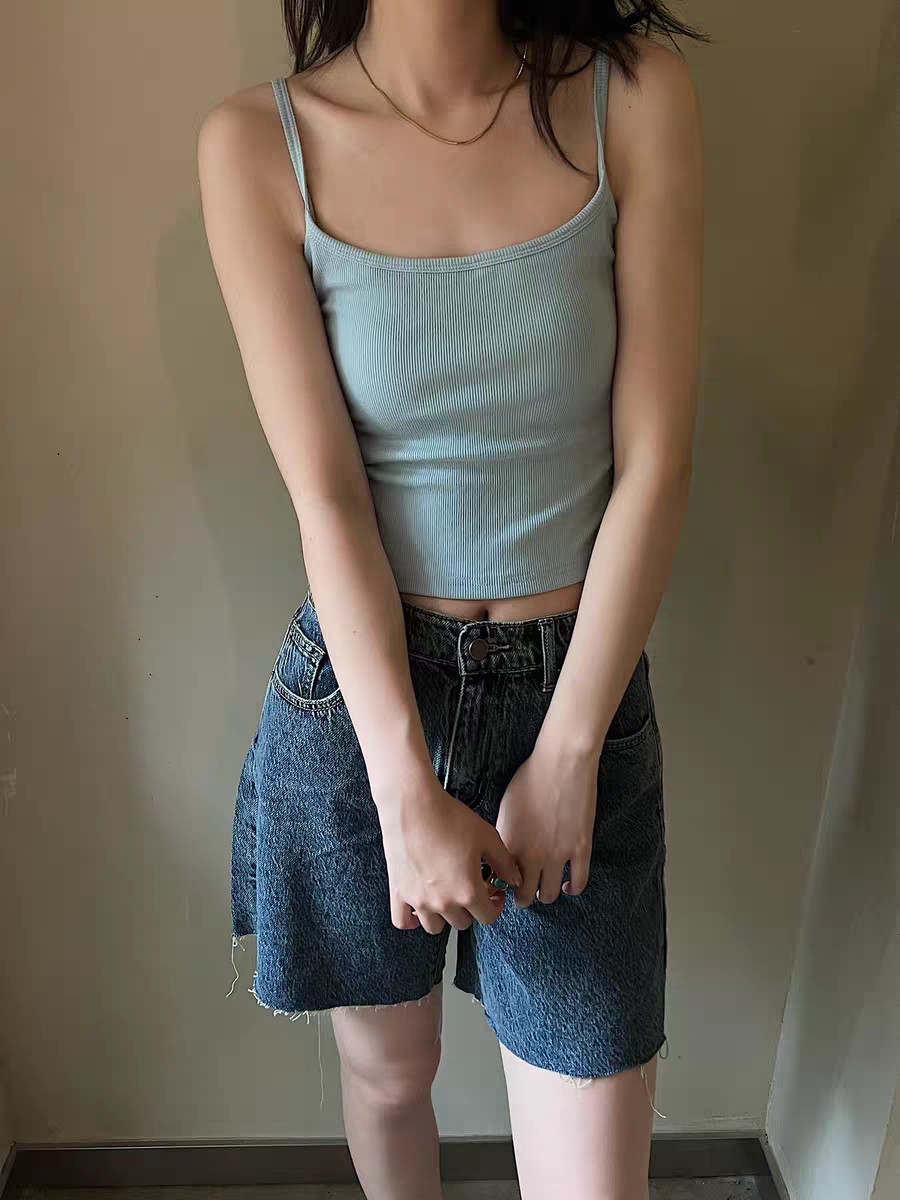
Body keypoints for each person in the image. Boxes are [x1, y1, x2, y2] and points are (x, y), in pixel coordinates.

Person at [199, 1, 704, 1196]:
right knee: (387, 1080)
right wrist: (400, 785)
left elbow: (658, 461)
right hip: (363, 704)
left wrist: (570, 748)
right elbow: (327, 497)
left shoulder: (632, 99)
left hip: (577, 690)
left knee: (594, 1167)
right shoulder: (258, 145)